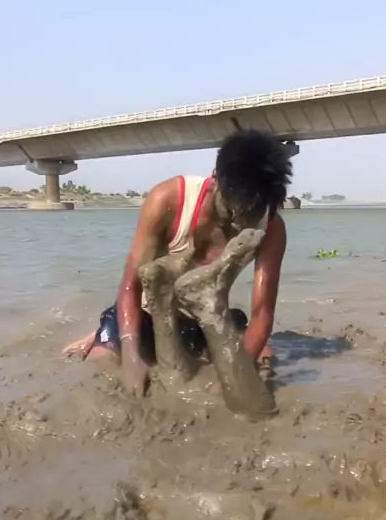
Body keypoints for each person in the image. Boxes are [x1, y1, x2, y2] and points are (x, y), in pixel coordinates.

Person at [64, 129, 291, 396]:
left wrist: (233, 379)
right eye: (231, 212)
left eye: (250, 216)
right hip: (147, 313)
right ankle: (102, 334)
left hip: (204, 317)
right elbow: (130, 286)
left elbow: (262, 315)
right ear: (215, 180)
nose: (238, 224)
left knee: (265, 361)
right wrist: (131, 358)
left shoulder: (270, 228)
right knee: (102, 369)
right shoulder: (168, 200)